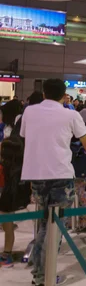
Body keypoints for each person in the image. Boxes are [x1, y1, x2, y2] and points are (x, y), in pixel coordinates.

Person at [20, 79, 86, 286]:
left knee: (43, 223)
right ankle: (43, 275)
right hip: (60, 175)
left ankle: (41, 270)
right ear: (64, 95)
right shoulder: (70, 114)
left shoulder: (29, 112)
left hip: (36, 175)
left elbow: (25, 136)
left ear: (43, 93)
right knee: (54, 227)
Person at [0, 99, 25, 268]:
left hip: (6, 183)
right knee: (7, 221)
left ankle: (7, 253)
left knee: (7, 220)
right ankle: (6, 253)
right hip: (7, 182)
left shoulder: (9, 133)